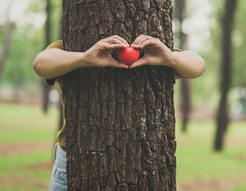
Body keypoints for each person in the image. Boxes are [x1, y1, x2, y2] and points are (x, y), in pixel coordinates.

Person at [33, 34, 205, 191]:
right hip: (75, 161)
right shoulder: (71, 44)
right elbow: (40, 64)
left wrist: (170, 58)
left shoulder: (155, 52)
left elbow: (198, 65)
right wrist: (85, 58)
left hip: (144, 165)